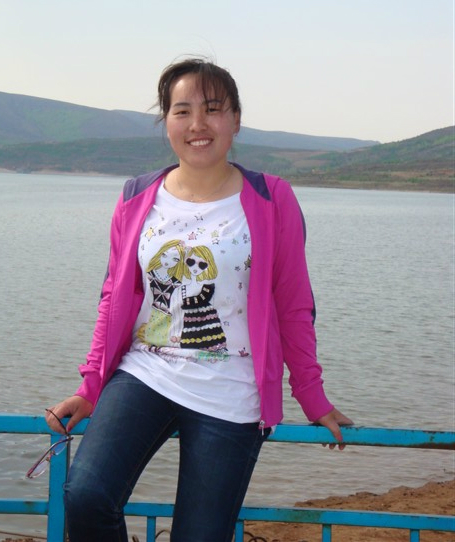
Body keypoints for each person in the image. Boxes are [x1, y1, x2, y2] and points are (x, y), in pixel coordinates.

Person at [46, 58, 352, 542]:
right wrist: (91, 385)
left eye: (212, 109)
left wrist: (311, 394)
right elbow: (113, 297)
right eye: (182, 111)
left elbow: (294, 304)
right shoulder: (137, 196)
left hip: (231, 386)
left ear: (236, 120)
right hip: (145, 372)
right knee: (85, 496)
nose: (198, 125)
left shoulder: (272, 198)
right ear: (166, 121)